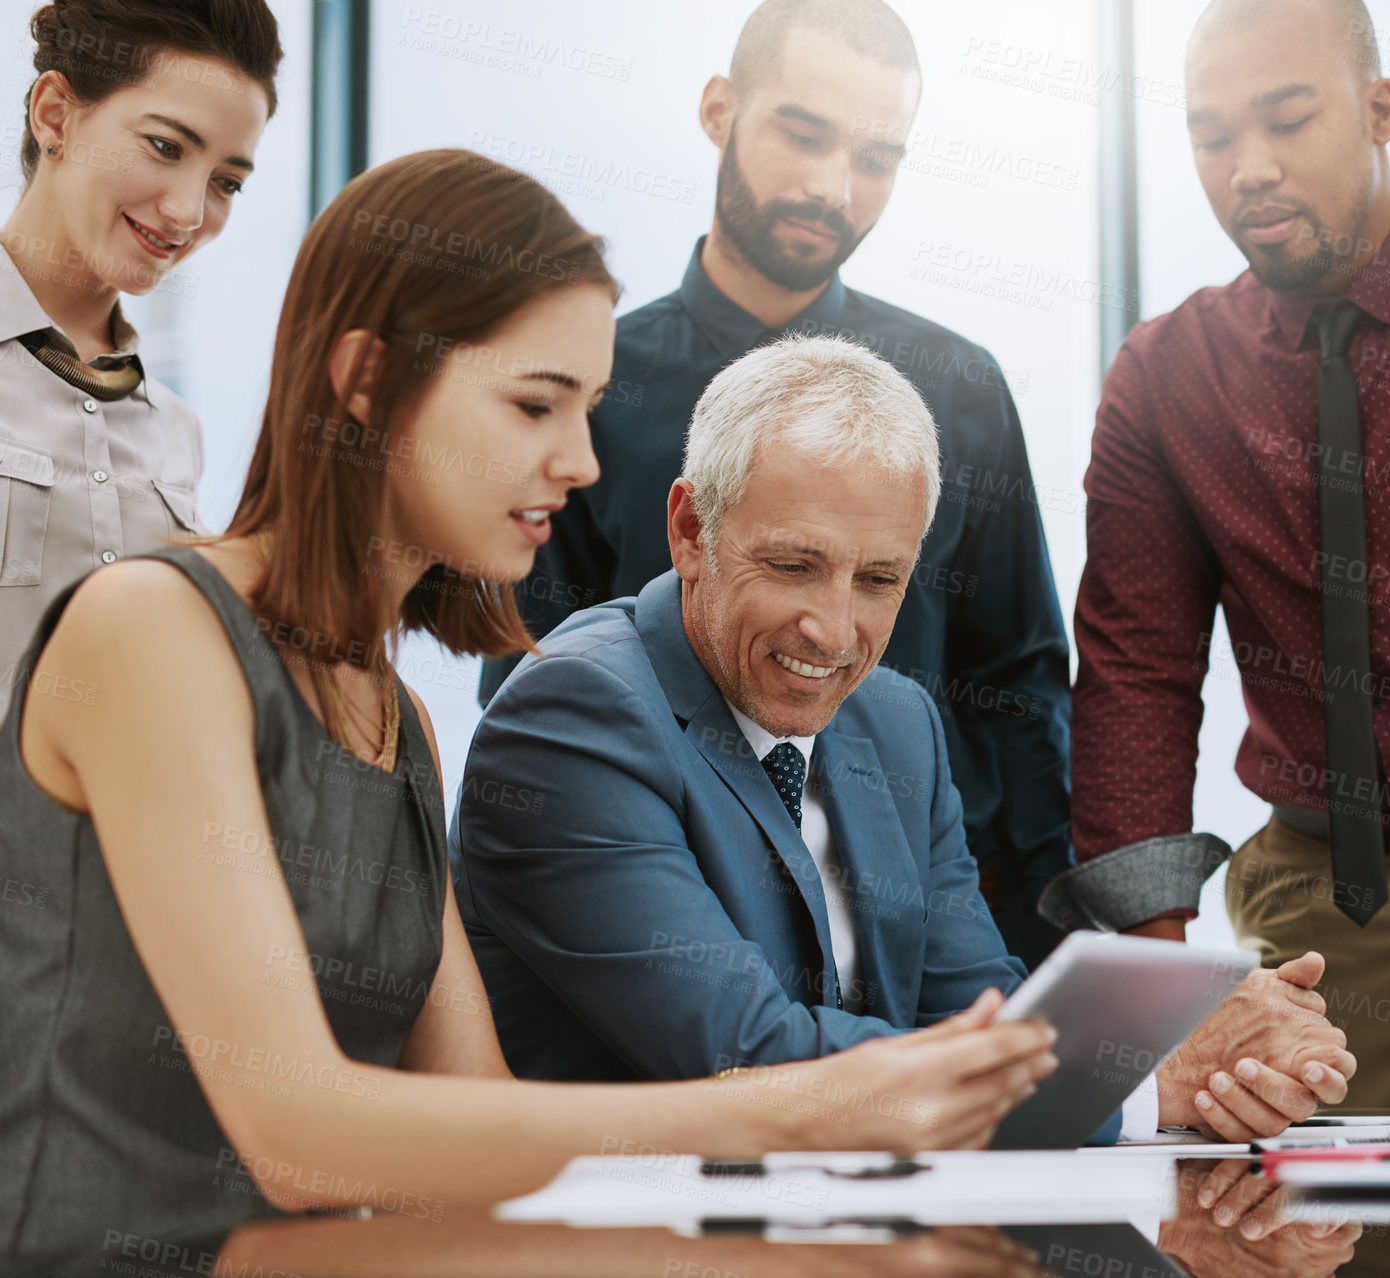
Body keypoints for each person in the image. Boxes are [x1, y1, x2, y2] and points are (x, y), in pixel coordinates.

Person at [0, 150, 1061, 1255]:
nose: (582, 460)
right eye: (535, 403)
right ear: (365, 383)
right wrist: (797, 1109)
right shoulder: (148, 630)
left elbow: (472, 1127)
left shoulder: (391, 716)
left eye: (590, 408)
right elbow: (298, 1131)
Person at [453, 332, 1357, 1143]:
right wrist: (1136, 1088)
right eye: (793, 565)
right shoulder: (574, 717)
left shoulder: (897, 722)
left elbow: (974, 1009)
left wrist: (1180, 1051)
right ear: (691, 531)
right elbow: (746, 1052)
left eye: (878, 579)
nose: (834, 632)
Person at [476, 0, 1072, 967]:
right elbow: (529, 671)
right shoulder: (590, 386)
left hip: (914, 924)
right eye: (803, 133)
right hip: (663, 900)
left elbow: (1018, 682)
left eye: (875, 159)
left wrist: (1044, 953)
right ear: (719, 110)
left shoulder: (959, 388)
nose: (831, 185)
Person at [1048, 0, 1390, 1108]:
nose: (1251, 168)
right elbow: (1138, 675)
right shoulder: (1166, 376)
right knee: (1309, 1245)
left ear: (1380, 111)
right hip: (1319, 927)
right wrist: (1168, 985)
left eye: (1288, 121)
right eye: (1213, 135)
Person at [0, 0, 282, 721]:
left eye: (227, 182)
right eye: (164, 146)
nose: (190, 211)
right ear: (56, 116)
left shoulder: (176, 431)